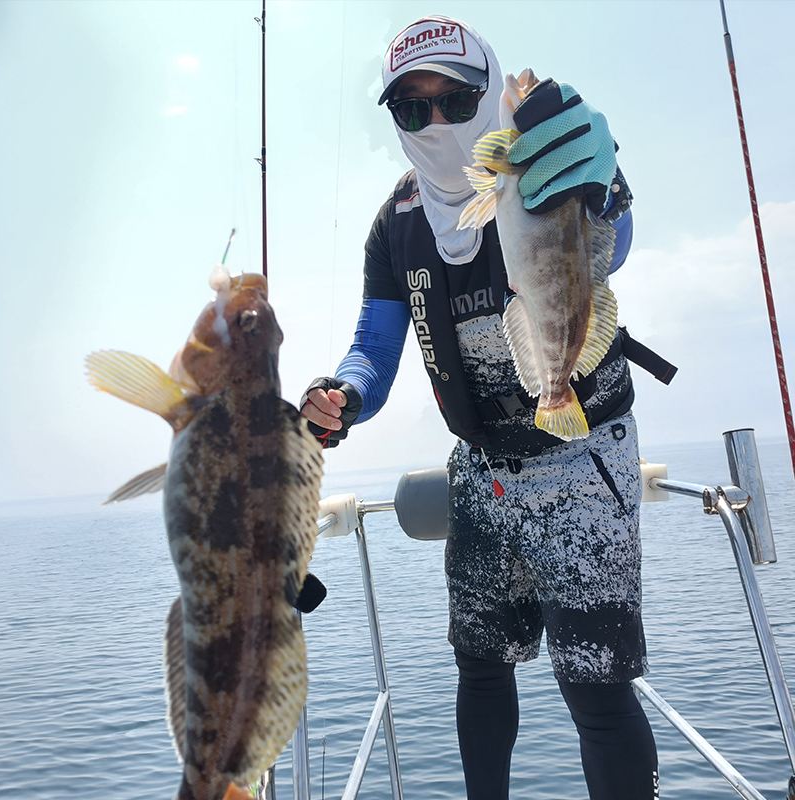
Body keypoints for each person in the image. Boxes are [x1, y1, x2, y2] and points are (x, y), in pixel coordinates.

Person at [301, 16, 663, 800]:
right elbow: (376, 341)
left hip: (583, 451)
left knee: (595, 685)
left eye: (456, 99)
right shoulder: (394, 225)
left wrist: (599, 187)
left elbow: (610, 240)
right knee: (481, 670)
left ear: (492, 94)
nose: (435, 122)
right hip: (482, 471)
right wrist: (344, 394)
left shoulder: (546, 174)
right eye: (411, 108)